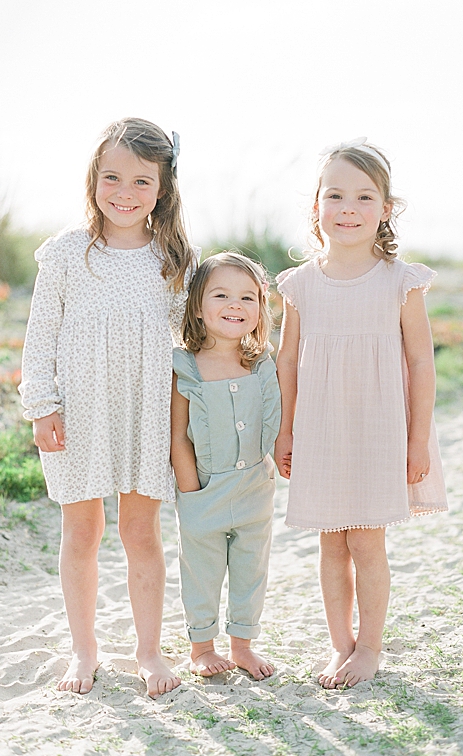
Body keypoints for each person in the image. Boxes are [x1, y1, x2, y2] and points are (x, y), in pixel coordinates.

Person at [19, 118, 195, 698]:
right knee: (83, 530)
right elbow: (40, 335)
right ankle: (83, 649)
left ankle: (148, 650)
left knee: (142, 533)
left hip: (146, 415)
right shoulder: (67, 254)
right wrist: (42, 405)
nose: (125, 192)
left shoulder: (173, 259)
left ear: (163, 188)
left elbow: (190, 340)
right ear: (94, 178)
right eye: (112, 177)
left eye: (142, 182)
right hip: (79, 412)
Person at [275, 138, 447, 688]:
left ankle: (370, 647)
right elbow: (288, 364)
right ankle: (340, 646)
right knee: (331, 540)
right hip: (320, 431)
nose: (348, 209)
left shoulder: (401, 281)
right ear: (317, 206)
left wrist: (417, 441)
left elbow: (421, 363)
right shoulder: (299, 284)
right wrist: (284, 431)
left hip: (380, 430)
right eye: (335, 195)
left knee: (367, 541)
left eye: (364, 197)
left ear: (386, 209)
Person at [170, 252, 279, 681]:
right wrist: (191, 491)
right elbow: (178, 436)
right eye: (221, 295)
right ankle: (201, 647)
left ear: (260, 307)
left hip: (255, 485)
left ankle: (242, 646)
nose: (235, 305)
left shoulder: (262, 362)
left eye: (247, 297)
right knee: (202, 569)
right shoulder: (187, 367)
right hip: (205, 490)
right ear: (198, 305)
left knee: (252, 569)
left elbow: (277, 419)